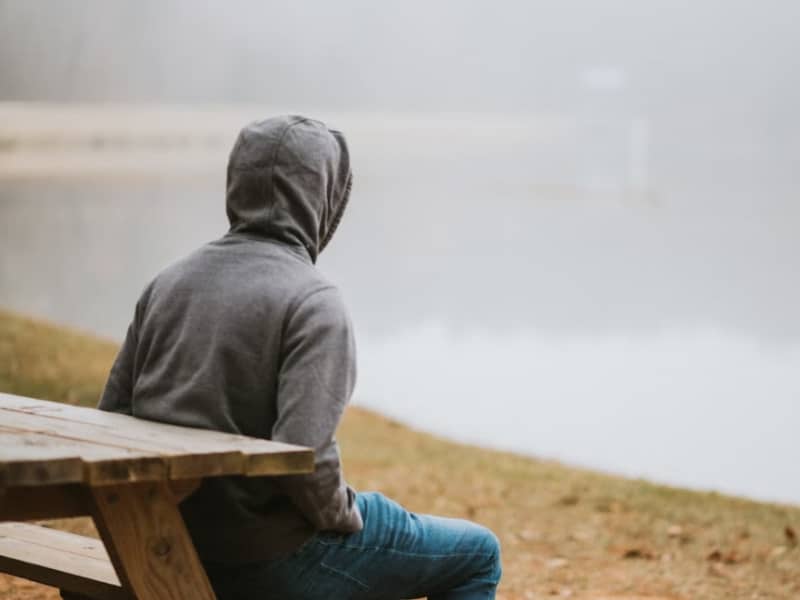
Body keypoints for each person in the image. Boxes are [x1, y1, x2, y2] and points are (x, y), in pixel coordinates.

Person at [98, 115, 502, 599]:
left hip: (163, 537)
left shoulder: (169, 282)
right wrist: (345, 515)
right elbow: (303, 459)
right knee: (478, 554)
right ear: (325, 197)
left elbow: (112, 420)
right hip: (267, 557)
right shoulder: (314, 302)